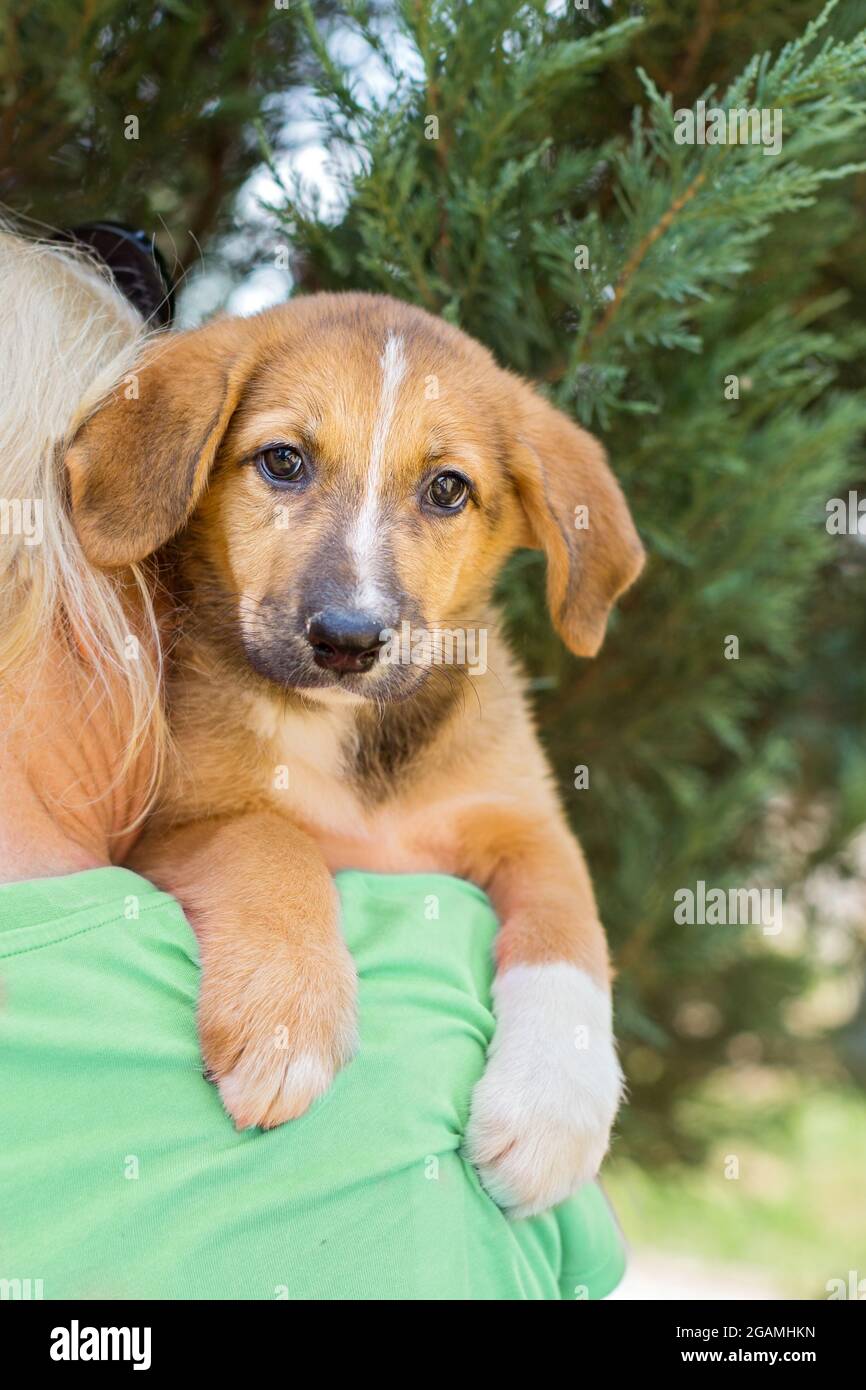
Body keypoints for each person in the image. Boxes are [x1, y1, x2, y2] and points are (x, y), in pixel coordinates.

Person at [0, 224, 625, 1300]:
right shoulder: (175, 694)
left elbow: (530, 852)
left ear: (514, 516)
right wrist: (273, 885)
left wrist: (562, 1024)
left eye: (442, 493)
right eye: (284, 466)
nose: (352, 602)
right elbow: (186, 825)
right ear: (191, 470)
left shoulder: (475, 720)